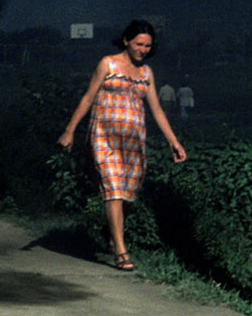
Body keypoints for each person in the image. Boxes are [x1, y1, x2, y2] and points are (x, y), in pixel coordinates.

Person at [58, 19, 187, 272]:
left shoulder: (146, 73)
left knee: (127, 195)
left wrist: (173, 141)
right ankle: (120, 250)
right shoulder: (108, 64)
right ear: (127, 40)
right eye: (139, 43)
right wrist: (69, 130)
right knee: (114, 189)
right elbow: (88, 97)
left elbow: (157, 110)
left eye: (148, 46)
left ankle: (112, 232)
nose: (143, 49)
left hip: (133, 142)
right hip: (104, 138)